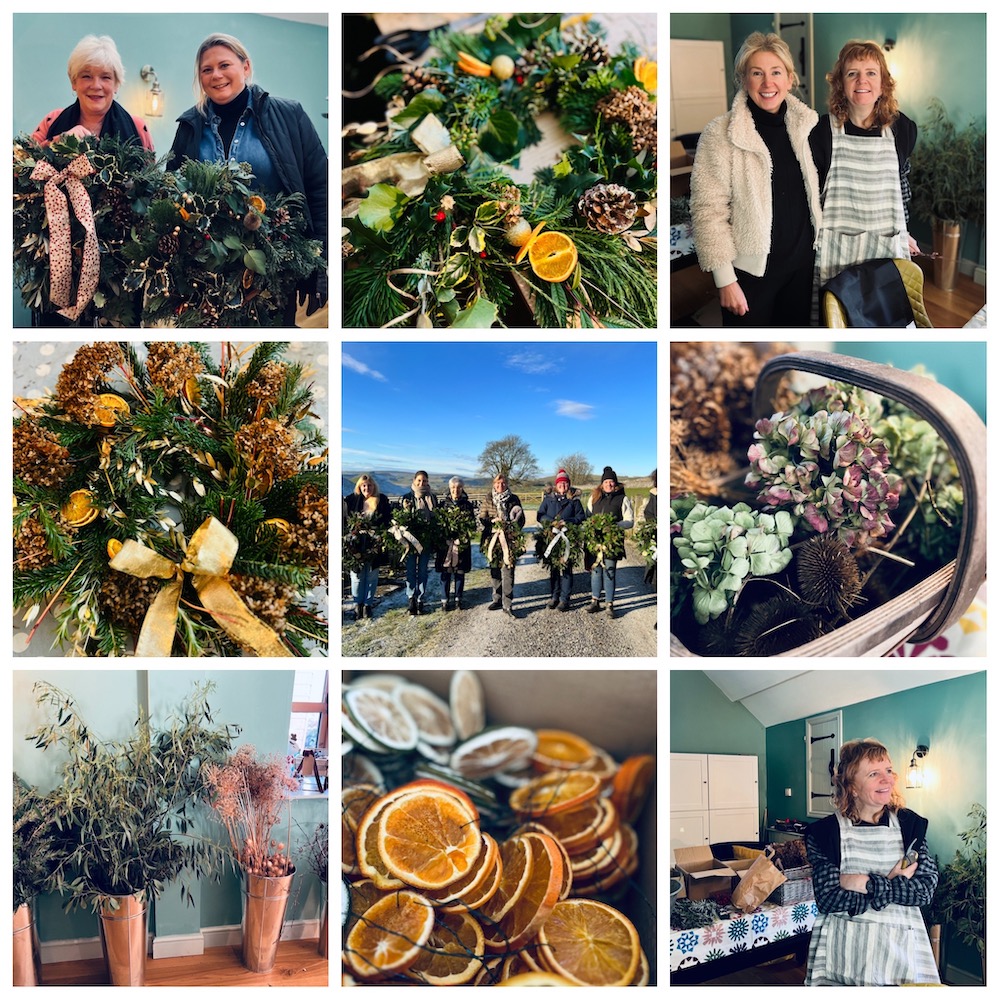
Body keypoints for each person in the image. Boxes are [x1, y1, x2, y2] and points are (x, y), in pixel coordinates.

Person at [166, 33, 328, 316]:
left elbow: (319, 188)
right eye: (207, 69)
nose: (216, 75)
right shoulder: (190, 126)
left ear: (246, 67)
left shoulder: (290, 115)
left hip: (275, 269)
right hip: (205, 270)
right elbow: (172, 191)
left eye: (224, 65)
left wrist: (323, 267)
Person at [690, 32, 822, 326]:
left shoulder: (809, 127)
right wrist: (724, 279)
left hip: (802, 267)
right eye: (757, 73)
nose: (767, 83)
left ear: (789, 78)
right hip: (750, 276)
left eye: (776, 72)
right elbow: (707, 211)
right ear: (743, 79)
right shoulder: (719, 134)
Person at [805, 738, 939, 986]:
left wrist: (862, 882)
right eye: (874, 773)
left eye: (888, 771)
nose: (887, 779)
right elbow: (828, 898)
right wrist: (892, 883)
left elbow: (923, 890)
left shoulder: (911, 827)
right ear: (852, 787)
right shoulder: (825, 833)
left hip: (900, 953)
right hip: (843, 952)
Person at [809, 40, 919, 290]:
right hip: (837, 254)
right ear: (841, 84)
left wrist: (905, 232)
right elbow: (813, 199)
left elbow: (901, 191)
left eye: (871, 73)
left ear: (883, 84)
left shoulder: (903, 130)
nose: (862, 81)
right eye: (852, 74)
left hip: (886, 250)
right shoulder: (821, 132)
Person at [32, 35, 155, 150]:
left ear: (116, 84)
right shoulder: (52, 120)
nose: (96, 86)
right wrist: (60, 141)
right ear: (74, 82)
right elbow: (19, 166)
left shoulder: (137, 127)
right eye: (86, 76)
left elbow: (152, 172)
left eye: (105, 77)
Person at [585, 466, 634, 619]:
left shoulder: (622, 499)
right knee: (596, 571)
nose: (609, 484)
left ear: (615, 483)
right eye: (606, 481)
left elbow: (630, 521)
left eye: (611, 481)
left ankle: (609, 604)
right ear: (602, 484)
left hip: (612, 542)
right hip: (595, 541)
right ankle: (595, 601)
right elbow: (587, 518)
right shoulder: (594, 498)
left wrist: (615, 526)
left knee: (610, 571)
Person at [536, 468, 586, 612]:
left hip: (567, 538)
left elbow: (581, 517)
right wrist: (552, 522)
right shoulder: (548, 499)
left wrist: (568, 521)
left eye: (565, 484)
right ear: (556, 485)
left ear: (569, 485)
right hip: (552, 537)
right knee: (554, 569)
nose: (563, 486)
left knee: (566, 568)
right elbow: (540, 515)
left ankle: (565, 599)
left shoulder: (574, 501)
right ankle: (554, 596)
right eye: (560, 484)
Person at [343, 473, 390, 621]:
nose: (367, 488)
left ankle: (368, 605)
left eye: (369, 485)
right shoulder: (351, 500)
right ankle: (358, 604)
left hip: (374, 543)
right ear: (359, 486)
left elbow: (387, 520)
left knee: (371, 574)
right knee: (356, 575)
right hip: (355, 543)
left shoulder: (381, 500)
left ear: (374, 486)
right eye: (364, 485)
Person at [478, 473, 525, 619]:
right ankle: (497, 599)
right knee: (495, 571)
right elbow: (481, 518)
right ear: (494, 484)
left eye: (503, 483)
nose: (500, 486)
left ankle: (507, 604)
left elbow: (521, 519)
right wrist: (491, 522)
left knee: (508, 571)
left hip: (509, 540)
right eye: (498, 483)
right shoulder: (488, 498)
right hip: (492, 540)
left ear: (507, 484)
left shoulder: (514, 498)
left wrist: (511, 524)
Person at [400, 471, 438, 616]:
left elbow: (436, 518)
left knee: (422, 570)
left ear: (428, 482)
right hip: (410, 541)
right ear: (414, 481)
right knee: (410, 570)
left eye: (425, 481)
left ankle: (421, 598)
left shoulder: (432, 498)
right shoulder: (406, 497)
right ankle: (411, 598)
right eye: (419, 481)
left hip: (426, 541)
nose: (422, 484)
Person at [435, 476, 475, 612]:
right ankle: (444, 600)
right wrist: (444, 536)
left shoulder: (467, 505)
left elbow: (472, 525)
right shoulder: (442, 505)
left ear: (462, 489)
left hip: (461, 544)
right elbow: (438, 525)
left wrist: (462, 537)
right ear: (449, 489)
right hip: (445, 545)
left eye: (458, 488)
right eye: (453, 488)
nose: (455, 490)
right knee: (446, 572)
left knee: (459, 571)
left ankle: (458, 598)